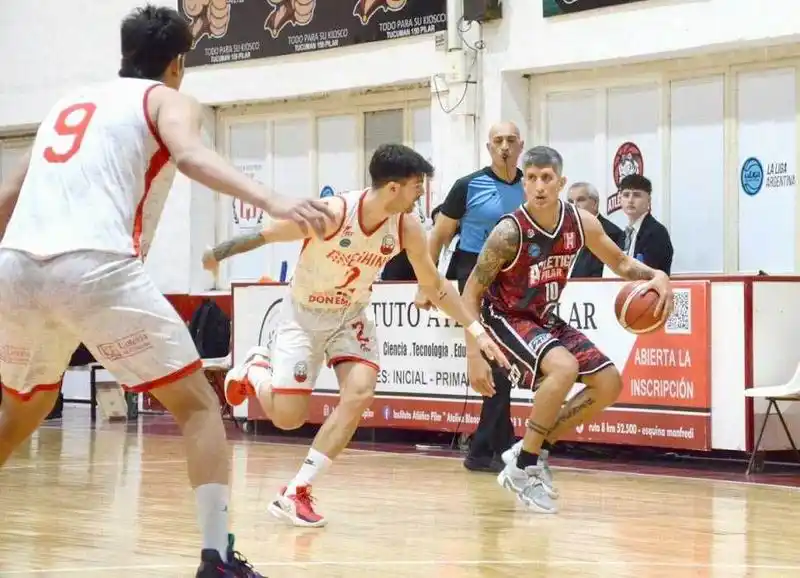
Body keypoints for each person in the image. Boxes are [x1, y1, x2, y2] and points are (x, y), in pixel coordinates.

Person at [0, 5, 335, 577]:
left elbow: (11, 192)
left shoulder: (66, 105)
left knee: (22, 409)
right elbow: (190, 154)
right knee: (199, 405)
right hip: (96, 266)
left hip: (16, 269)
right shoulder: (165, 99)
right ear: (179, 63)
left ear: (123, 53)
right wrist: (277, 201)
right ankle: (218, 557)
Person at [201, 144, 510, 528]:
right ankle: (254, 371)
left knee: (361, 393)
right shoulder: (332, 214)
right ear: (394, 188)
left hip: (351, 316)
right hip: (304, 316)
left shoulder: (407, 226)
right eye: (418, 186)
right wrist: (216, 252)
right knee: (287, 419)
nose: (422, 195)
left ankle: (297, 490)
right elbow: (266, 235)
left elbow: (435, 285)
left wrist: (477, 331)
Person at [461, 146, 673, 514]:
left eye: (546, 178)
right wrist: (473, 353)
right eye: (531, 178)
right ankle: (523, 466)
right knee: (563, 368)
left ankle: (535, 449)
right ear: (523, 184)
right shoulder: (508, 232)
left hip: (544, 315)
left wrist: (658, 275)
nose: (539, 186)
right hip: (504, 316)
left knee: (609, 383)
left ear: (561, 182)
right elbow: (470, 292)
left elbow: (621, 263)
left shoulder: (580, 222)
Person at [417, 121, 524, 474]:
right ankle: (487, 449)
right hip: (473, 272)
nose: (505, 146)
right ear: (488, 147)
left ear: (520, 145)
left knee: (505, 362)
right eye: (498, 141)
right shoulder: (468, 186)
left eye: (510, 140)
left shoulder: (530, 186)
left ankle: (495, 447)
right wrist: (426, 282)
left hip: (514, 275)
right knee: (496, 360)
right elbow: (440, 236)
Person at [619, 174, 674, 274]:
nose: (630, 200)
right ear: (620, 200)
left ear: (648, 200)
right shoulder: (624, 235)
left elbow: (647, 272)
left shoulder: (656, 232)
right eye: (626, 195)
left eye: (637, 195)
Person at [566, 181, 624, 278]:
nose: (574, 206)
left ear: (595, 203)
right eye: (570, 202)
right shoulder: (566, 232)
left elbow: (602, 276)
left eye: (580, 200)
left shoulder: (611, 234)